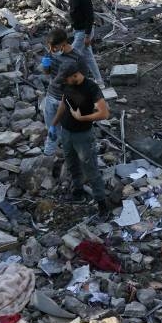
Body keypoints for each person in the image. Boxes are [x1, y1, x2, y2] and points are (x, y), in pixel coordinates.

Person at [51, 65, 111, 218]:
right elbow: (64, 104)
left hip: (83, 135)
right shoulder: (67, 84)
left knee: (91, 169)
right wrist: (53, 124)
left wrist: (81, 118)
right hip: (66, 133)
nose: (65, 82)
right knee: (71, 164)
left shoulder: (91, 88)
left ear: (75, 75)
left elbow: (104, 113)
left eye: (67, 79)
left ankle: (102, 204)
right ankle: (78, 191)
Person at [41, 28, 89, 156]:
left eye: (54, 47)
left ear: (63, 44)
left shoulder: (77, 58)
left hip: (67, 99)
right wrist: (45, 66)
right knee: (51, 127)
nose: (51, 50)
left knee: (67, 128)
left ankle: (54, 153)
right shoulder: (51, 53)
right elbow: (47, 72)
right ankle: (51, 154)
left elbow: (83, 79)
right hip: (51, 96)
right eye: (50, 47)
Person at [54, 0, 103, 83]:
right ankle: (99, 81)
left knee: (70, 55)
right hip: (78, 31)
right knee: (89, 57)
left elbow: (90, 17)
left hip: (84, 32)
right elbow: (76, 15)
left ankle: (65, 81)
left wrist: (87, 35)